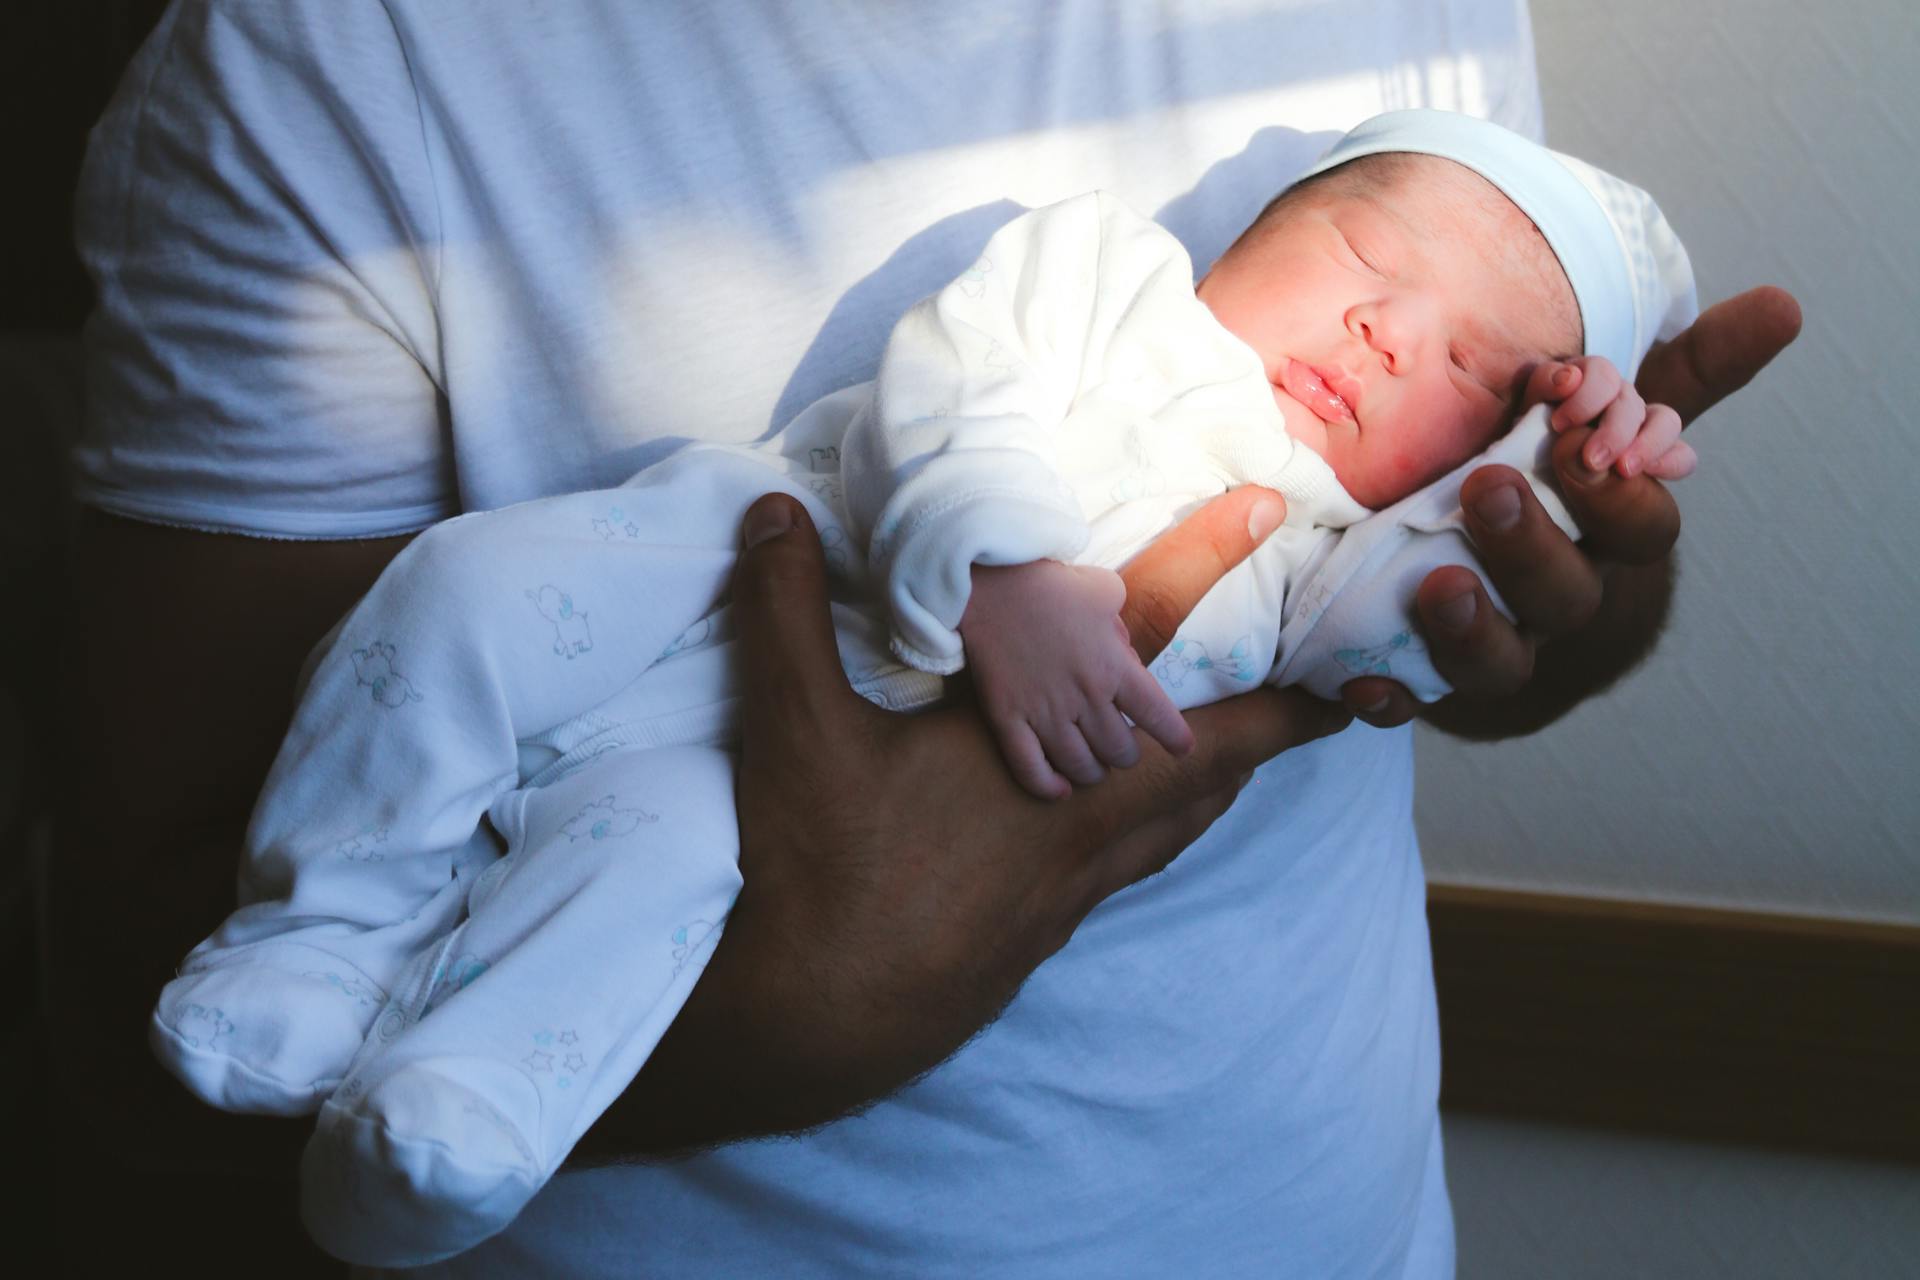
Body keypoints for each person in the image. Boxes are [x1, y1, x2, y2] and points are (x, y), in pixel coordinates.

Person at [60, 2, 1801, 1275]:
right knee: (457, 623)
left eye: (1466, 370)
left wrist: (1555, 537)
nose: (1381, 328)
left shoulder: (1339, 437)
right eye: (1358, 254)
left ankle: (450, 1124)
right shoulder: (334, 68)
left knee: (636, 871)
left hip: (1303, 1225)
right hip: (666, 596)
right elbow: (141, 901)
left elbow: (1385, 639)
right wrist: (1003, 596)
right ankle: (333, 940)